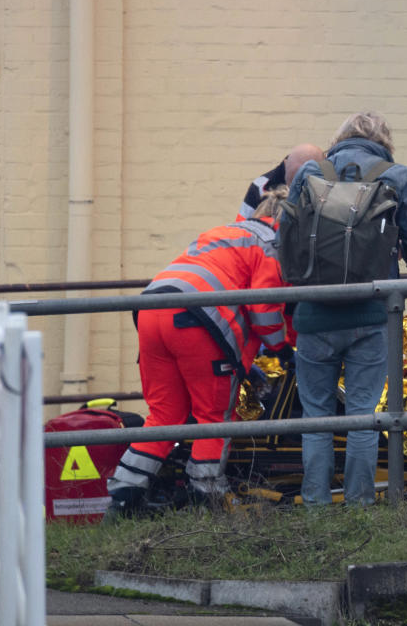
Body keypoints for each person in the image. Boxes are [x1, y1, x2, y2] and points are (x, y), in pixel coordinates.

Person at [105, 188, 293, 520]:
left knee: (163, 417)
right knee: (214, 418)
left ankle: (123, 498)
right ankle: (205, 500)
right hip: (197, 321)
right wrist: (282, 349)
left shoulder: (223, 233)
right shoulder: (271, 244)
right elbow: (263, 307)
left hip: (151, 311)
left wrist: (244, 365)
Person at [282, 111, 407, 506]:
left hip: (314, 315)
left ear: (340, 137)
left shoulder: (310, 172)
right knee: (364, 416)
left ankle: (316, 508)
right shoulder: (398, 175)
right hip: (371, 316)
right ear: (384, 140)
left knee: (317, 418)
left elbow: (285, 238)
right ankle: (359, 509)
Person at [238, 143, 324, 221]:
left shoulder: (326, 185)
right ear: (286, 164)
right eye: (295, 174)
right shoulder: (260, 186)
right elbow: (241, 226)